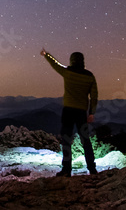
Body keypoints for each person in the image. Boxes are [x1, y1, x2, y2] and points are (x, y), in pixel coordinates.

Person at [40, 48, 99, 176]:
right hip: (81, 112)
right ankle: (92, 169)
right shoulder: (89, 76)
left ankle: (66, 170)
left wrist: (46, 55)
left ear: (71, 61)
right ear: (83, 61)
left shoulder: (67, 72)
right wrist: (91, 113)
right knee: (85, 140)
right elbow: (94, 96)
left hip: (68, 111)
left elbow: (55, 64)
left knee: (66, 139)